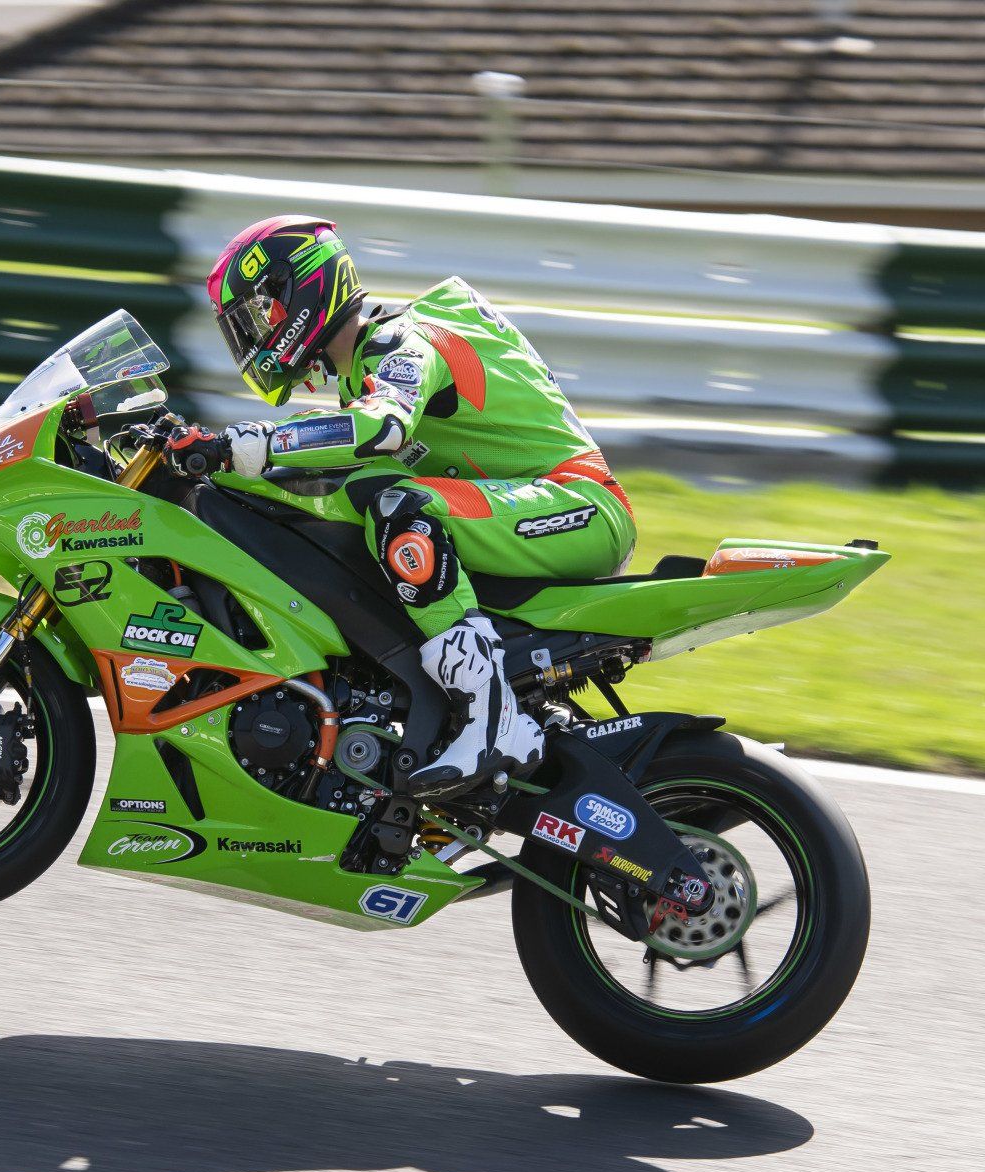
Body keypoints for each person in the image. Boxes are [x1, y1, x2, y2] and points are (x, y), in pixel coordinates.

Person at [165, 214, 638, 798]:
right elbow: (331, 471)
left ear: (302, 289)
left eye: (262, 313)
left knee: (396, 504)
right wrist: (208, 459)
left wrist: (254, 442)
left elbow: (382, 427)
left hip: (580, 505)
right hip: (526, 508)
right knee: (355, 495)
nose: (256, 335)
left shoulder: (406, 339)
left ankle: (490, 715)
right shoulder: (362, 374)